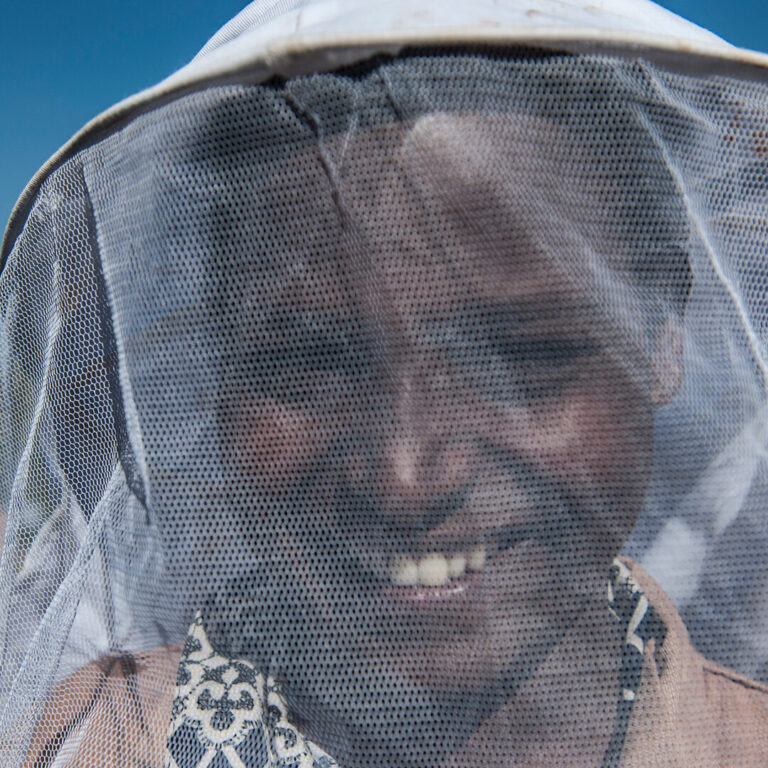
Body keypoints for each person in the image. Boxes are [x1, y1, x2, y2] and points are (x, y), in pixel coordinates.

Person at [3, 3, 768, 767]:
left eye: (520, 354)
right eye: (303, 366)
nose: (407, 481)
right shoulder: (95, 748)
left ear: (664, 336)